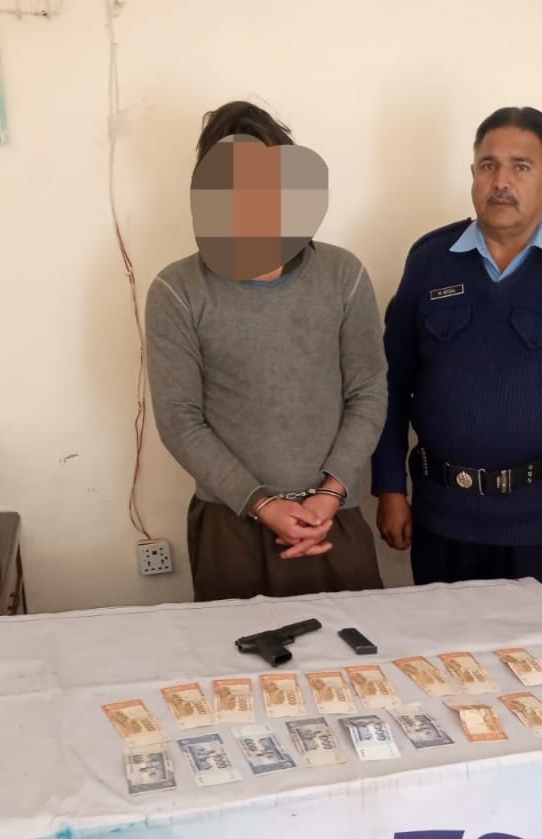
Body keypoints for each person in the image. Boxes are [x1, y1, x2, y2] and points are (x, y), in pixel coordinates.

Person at [371, 106, 542, 594]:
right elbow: (389, 385)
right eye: (488, 165)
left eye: (521, 166)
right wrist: (390, 486)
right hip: (439, 515)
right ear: (473, 174)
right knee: (435, 640)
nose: (501, 181)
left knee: (526, 644)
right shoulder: (430, 261)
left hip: (536, 522)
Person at [146, 101, 387, 601]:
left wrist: (330, 494)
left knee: (354, 650)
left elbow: (367, 391)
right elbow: (180, 419)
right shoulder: (178, 289)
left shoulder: (343, 275)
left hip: (333, 518)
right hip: (230, 525)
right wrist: (262, 504)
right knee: (233, 654)